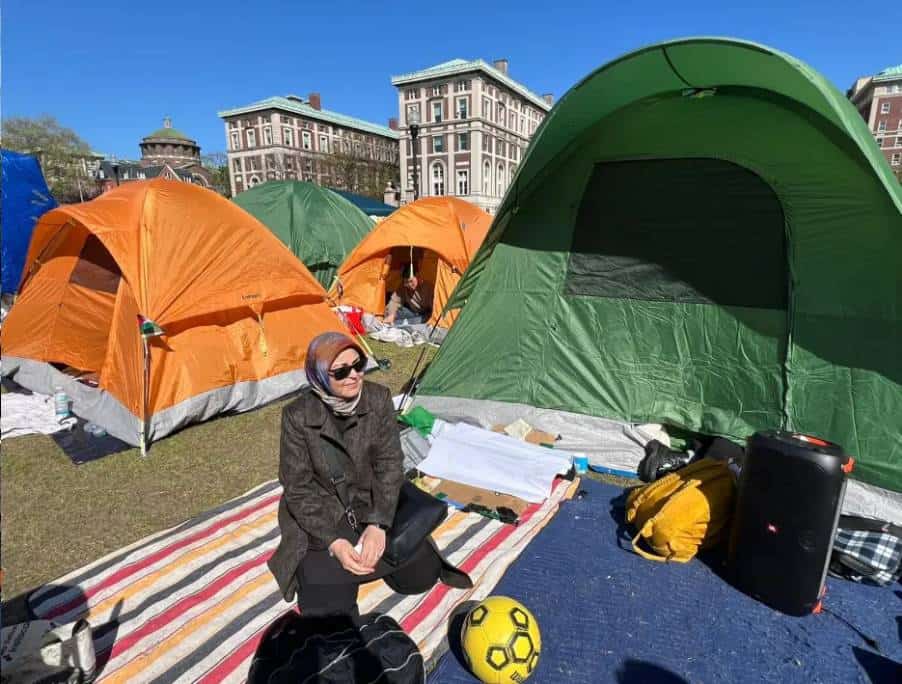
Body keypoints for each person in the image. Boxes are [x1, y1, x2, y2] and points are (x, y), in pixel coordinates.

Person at [268, 332, 470, 620]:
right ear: (320, 377)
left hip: (371, 504)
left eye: (358, 364)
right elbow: (297, 488)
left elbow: (390, 464)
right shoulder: (297, 416)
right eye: (340, 371)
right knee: (327, 615)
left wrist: (378, 524)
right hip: (325, 515)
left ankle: (383, 551)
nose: (354, 375)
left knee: (420, 577)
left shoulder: (378, 398)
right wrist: (334, 542)